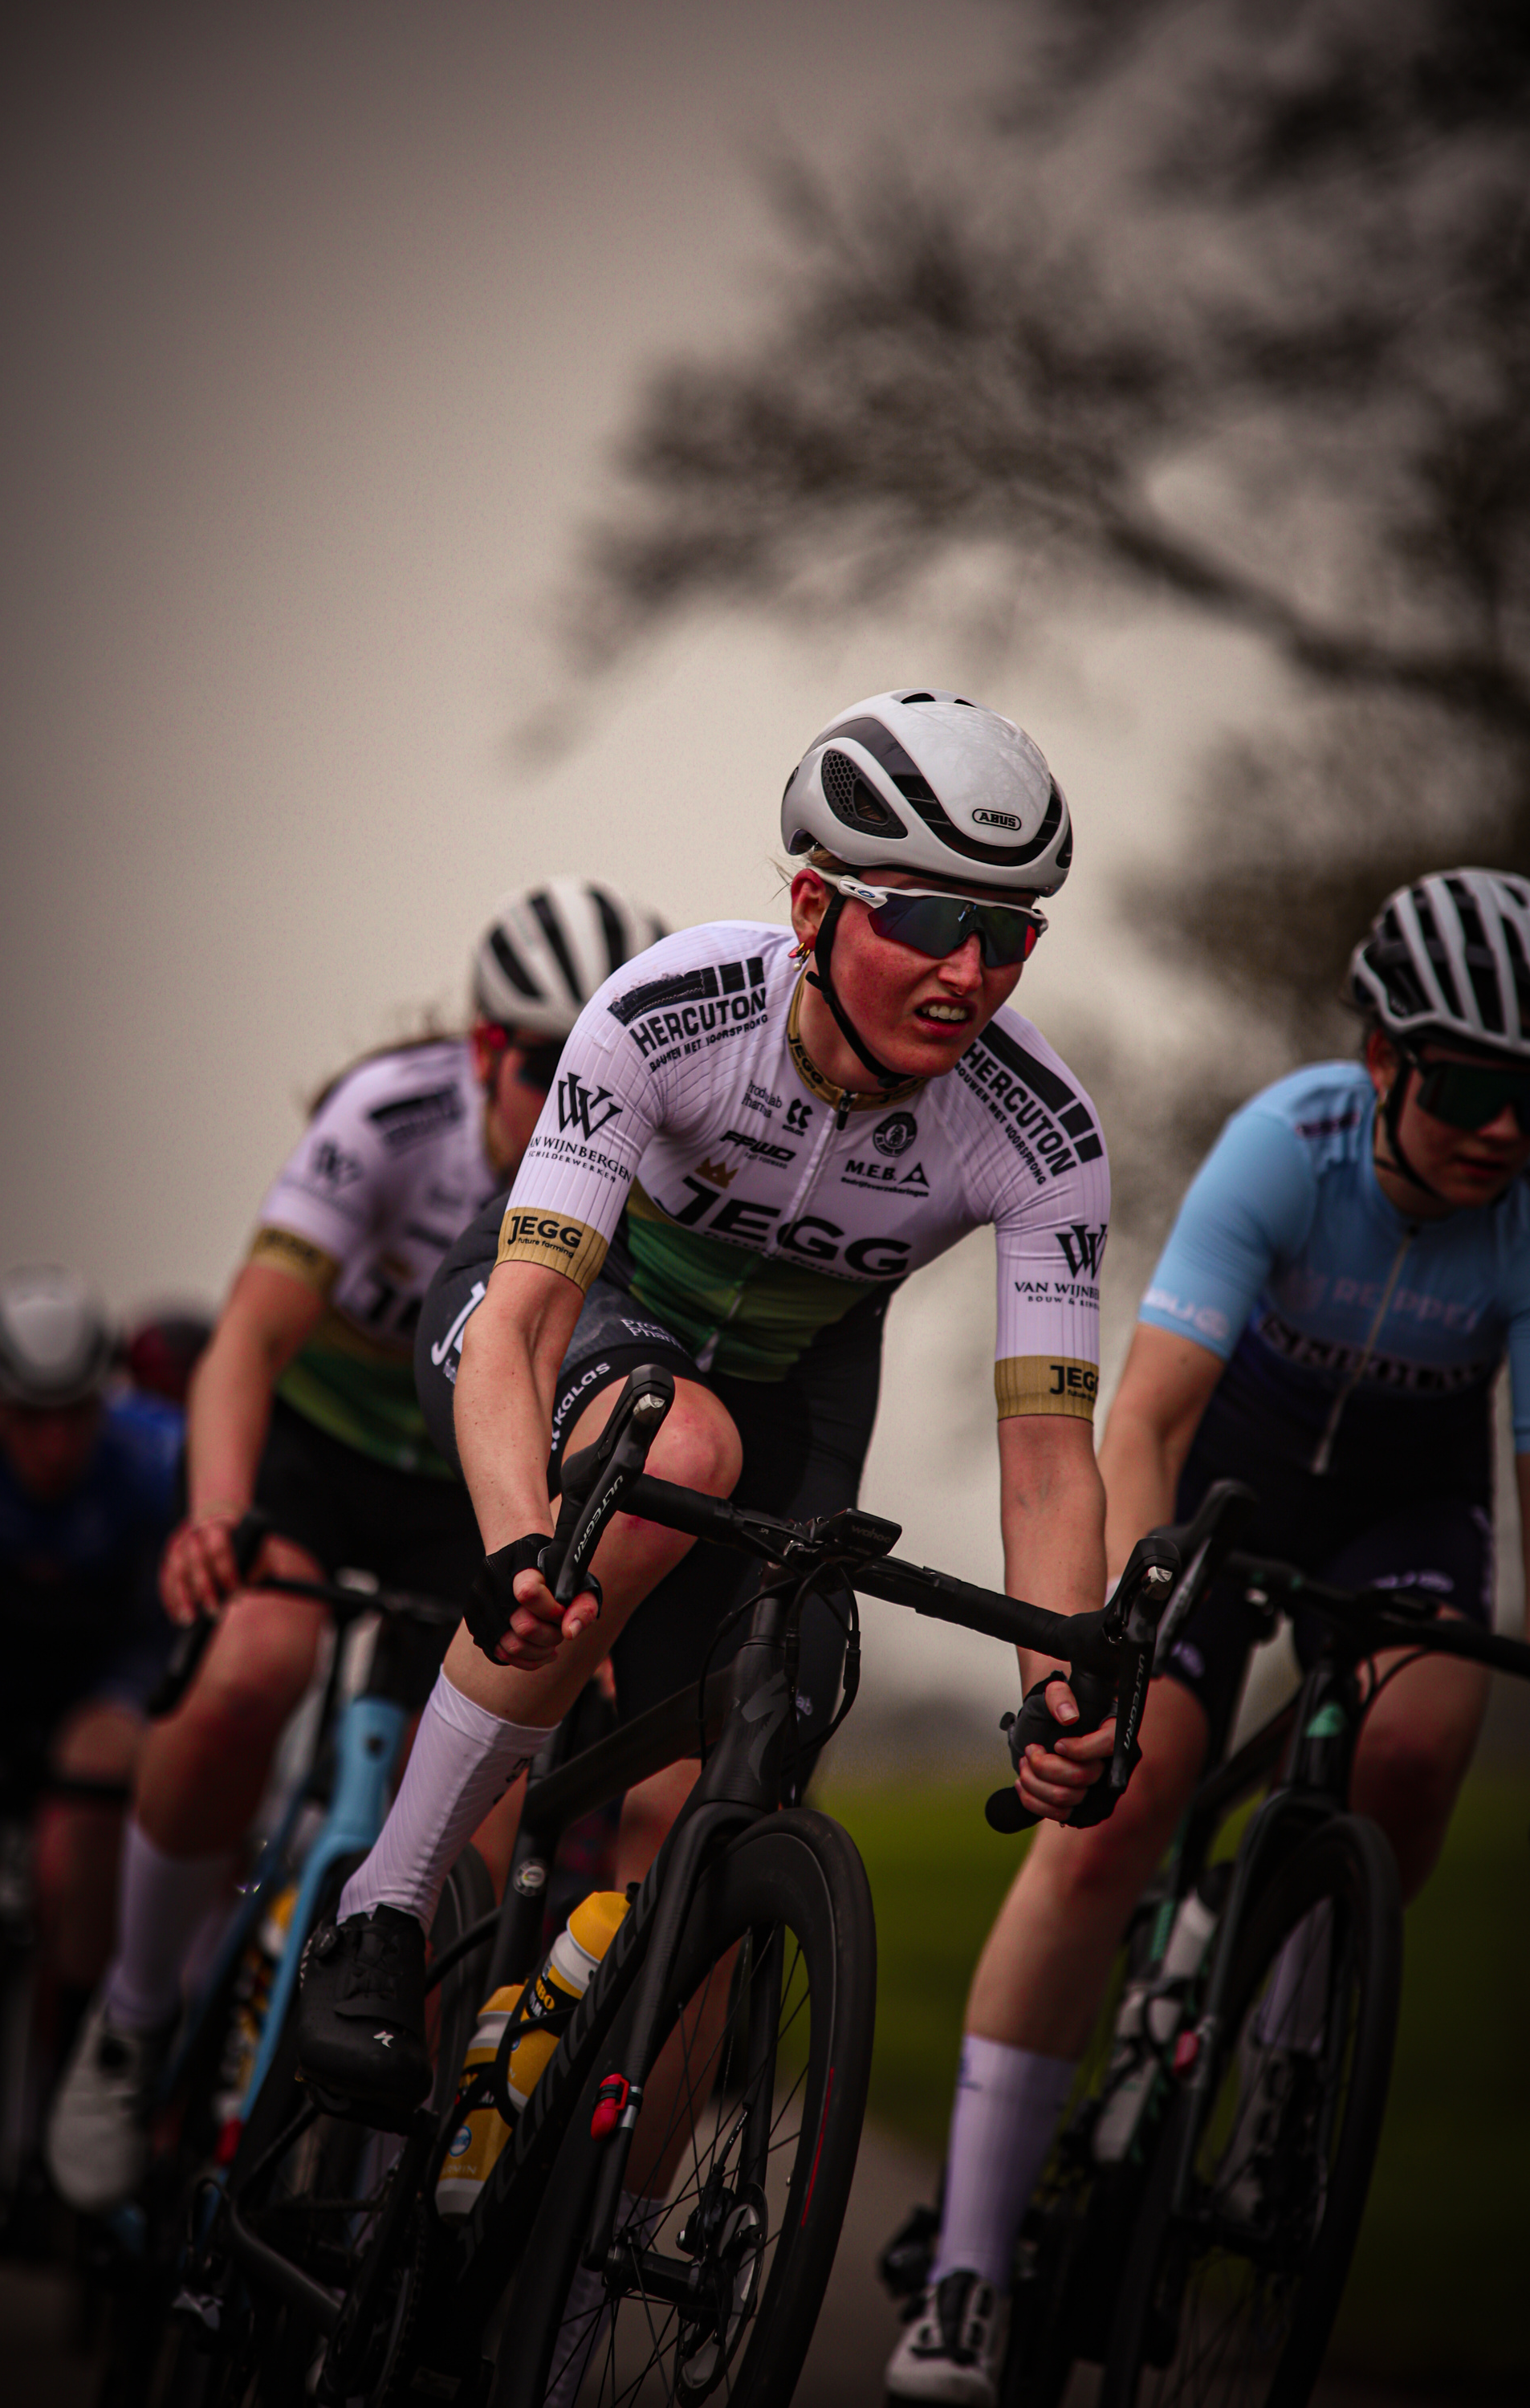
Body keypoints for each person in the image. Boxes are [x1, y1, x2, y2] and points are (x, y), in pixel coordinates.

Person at [289, 688, 1116, 2312]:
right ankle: (380, 1916)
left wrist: (1058, 1678)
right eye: (932, 921)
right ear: (814, 903)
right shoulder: (669, 1015)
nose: (971, 972)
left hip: (797, 1387)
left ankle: (574, 2277)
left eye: (1009, 939)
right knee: (677, 1458)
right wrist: (521, 1535)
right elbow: (519, 1325)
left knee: (743, 1775)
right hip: (574, 1327)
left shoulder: (1041, 1130)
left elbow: (1042, 1454)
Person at [885, 867, 1530, 2406]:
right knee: (1112, 1816)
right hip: (1227, 1499)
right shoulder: (1284, 1149)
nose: (1504, 1128)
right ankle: (966, 2277)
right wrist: (1121, 1617)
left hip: (1404, 1518)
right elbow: (1151, 1415)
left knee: (1424, 1742)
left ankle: (1295, 2050)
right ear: (1384, 1062)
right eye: (1467, 1084)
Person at [47, 879, 665, 2212]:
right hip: (320, 1450)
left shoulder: (634, 1142)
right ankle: (134, 2019)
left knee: (491, 1798)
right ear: (485, 1052)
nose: (580, 1096)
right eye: (551, 1068)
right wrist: (218, 1514)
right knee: (254, 1666)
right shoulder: (391, 1119)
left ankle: (378, 2169)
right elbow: (250, 1339)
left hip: (469, 1468)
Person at [0, 1267, 180, 2065]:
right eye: (28, 1418)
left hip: (105, 1677)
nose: (54, 1445)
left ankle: (70, 2058)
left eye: (75, 1414)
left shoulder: (156, 1452)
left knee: (83, 1825)